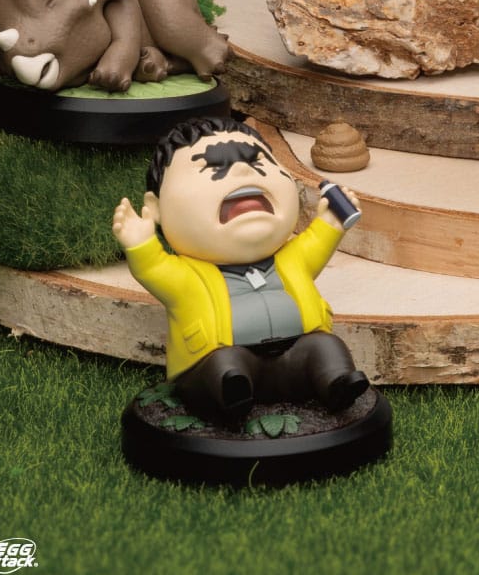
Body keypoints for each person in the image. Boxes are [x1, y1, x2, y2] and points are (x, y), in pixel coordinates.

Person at [112, 117, 367, 422]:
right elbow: (154, 268)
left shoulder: (292, 260)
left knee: (326, 347)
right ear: (156, 207)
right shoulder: (187, 277)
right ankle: (231, 396)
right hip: (217, 359)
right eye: (212, 168)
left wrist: (331, 222)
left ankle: (337, 383)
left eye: (257, 161)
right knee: (225, 364)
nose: (242, 171)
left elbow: (315, 242)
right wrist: (141, 244)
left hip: (296, 357)